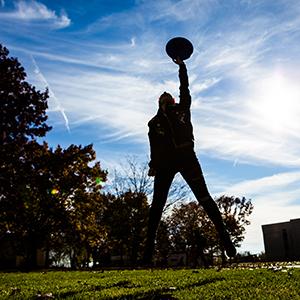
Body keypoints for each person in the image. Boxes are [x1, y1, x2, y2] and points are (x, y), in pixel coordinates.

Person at [143, 57, 236, 265]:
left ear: (174, 101)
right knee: (156, 207)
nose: (166, 96)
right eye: (162, 96)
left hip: (187, 158)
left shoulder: (183, 109)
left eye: (169, 96)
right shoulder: (154, 122)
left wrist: (182, 67)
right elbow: (154, 146)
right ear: (159, 103)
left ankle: (226, 240)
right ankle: (147, 254)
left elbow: (184, 88)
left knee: (205, 198)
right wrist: (153, 165)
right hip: (165, 164)